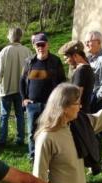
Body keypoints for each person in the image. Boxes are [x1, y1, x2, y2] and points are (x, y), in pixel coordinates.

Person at [20, 32, 66, 162]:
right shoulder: (29, 62)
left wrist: (59, 100)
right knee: (32, 133)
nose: (40, 47)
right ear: (34, 46)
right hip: (32, 104)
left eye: (42, 44)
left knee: (50, 131)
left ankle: (50, 155)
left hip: (51, 104)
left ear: (48, 45)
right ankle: (33, 156)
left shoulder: (55, 61)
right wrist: (24, 99)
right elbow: (22, 81)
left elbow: (62, 81)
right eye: (37, 45)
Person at [0, 27, 32, 146]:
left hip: (6, 89)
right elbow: (31, 71)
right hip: (21, 90)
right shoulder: (27, 51)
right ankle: (20, 139)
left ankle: (2, 140)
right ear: (21, 36)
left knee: (4, 115)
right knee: (20, 114)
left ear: (10, 36)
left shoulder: (4, 51)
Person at [58, 40, 95, 112]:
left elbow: (77, 95)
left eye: (67, 58)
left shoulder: (81, 71)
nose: (66, 62)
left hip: (78, 113)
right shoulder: (87, 68)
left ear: (75, 55)